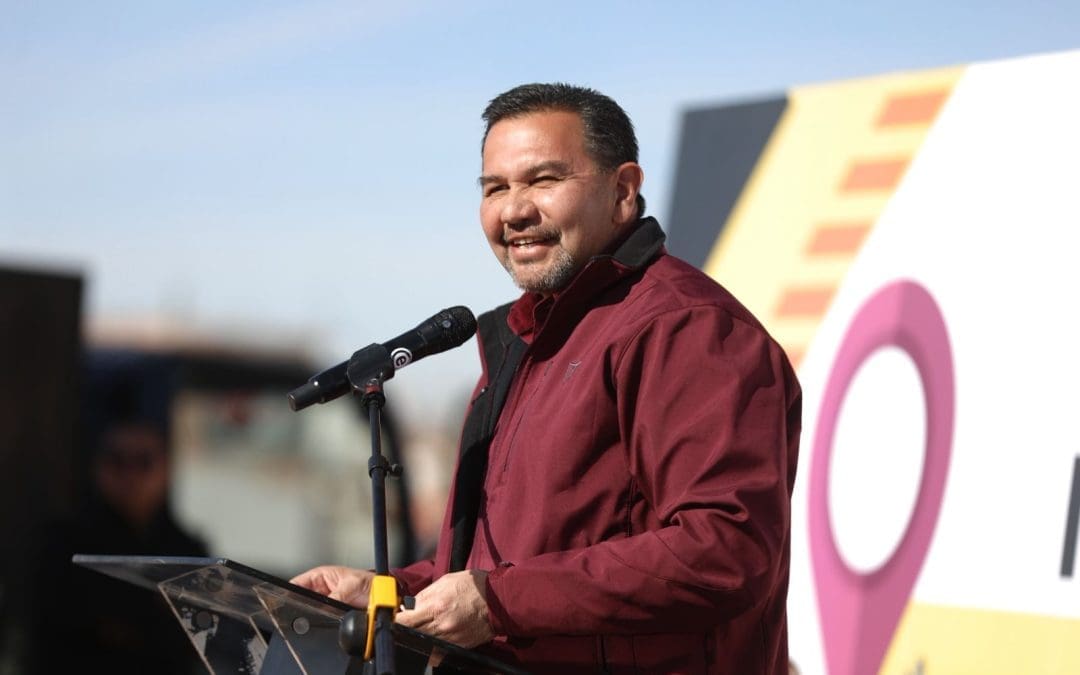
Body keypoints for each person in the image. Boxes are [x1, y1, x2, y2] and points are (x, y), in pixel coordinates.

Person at [294, 83, 801, 674]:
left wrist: (497, 603)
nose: (514, 210)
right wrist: (391, 593)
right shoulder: (526, 340)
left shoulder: (685, 328)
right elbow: (500, 571)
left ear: (623, 191)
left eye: (543, 181)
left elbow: (725, 549)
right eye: (495, 188)